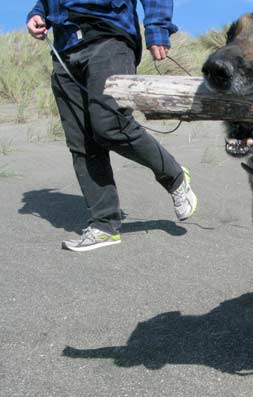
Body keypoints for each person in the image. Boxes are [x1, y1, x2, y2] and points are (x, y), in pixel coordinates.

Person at [26, 0, 197, 252]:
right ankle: (103, 225)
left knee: (110, 125)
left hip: (109, 38)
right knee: (81, 142)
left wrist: (157, 29)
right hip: (65, 50)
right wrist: (38, 14)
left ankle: (174, 176)